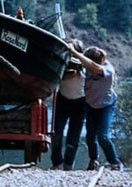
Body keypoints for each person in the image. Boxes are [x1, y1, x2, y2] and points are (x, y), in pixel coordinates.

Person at [66, 43, 124, 171]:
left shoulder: (107, 70)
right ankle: (93, 160)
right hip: (91, 104)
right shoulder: (87, 68)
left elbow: (93, 67)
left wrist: (75, 52)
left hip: (106, 105)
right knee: (90, 136)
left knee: (102, 135)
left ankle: (115, 162)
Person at [51, 39, 86, 170]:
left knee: (74, 135)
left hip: (80, 102)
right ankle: (57, 163)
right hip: (63, 99)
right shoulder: (61, 63)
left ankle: (68, 164)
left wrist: (77, 62)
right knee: (57, 132)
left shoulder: (85, 64)